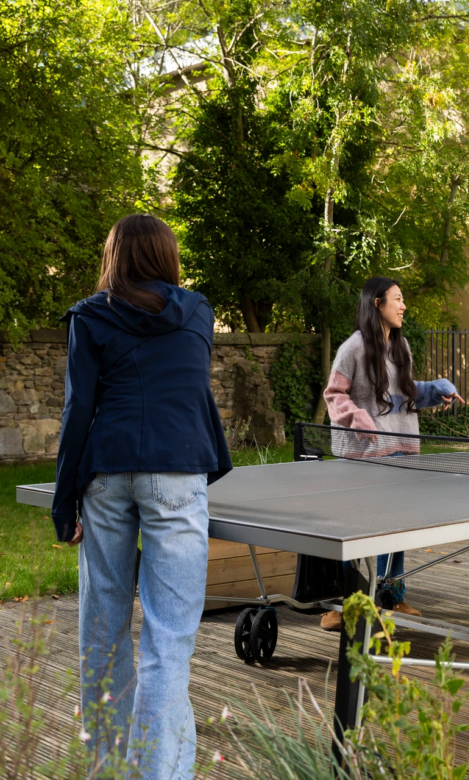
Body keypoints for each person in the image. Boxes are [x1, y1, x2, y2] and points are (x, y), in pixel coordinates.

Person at [52, 214, 232, 778]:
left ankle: (106, 771)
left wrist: (64, 503)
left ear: (115, 257)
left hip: (106, 477)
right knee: (167, 648)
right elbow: (190, 389)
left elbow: (78, 409)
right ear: (167, 257)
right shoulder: (198, 312)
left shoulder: (90, 315)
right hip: (177, 476)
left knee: (102, 637)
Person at [319, 276, 464, 631]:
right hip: (364, 455)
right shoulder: (352, 348)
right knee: (353, 529)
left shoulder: (401, 347)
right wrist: (357, 417)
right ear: (376, 303)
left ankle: (392, 596)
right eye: (397, 299)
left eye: (403, 300)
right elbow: (335, 395)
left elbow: (404, 396)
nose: (403, 306)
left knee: (396, 528)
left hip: (401, 450)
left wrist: (437, 390)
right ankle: (344, 604)